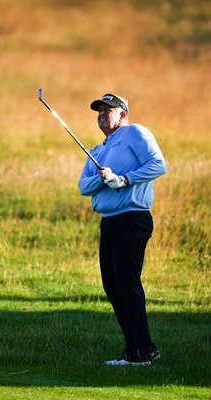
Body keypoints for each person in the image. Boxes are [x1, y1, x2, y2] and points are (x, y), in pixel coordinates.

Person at [78, 93, 167, 366]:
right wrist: (106, 179)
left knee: (126, 285)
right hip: (110, 221)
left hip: (132, 217)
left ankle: (141, 353)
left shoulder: (135, 133)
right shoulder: (97, 150)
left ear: (123, 114)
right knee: (113, 286)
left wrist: (123, 179)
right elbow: (83, 186)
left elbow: (158, 165)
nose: (102, 114)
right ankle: (137, 348)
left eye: (109, 110)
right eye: (99, 111)